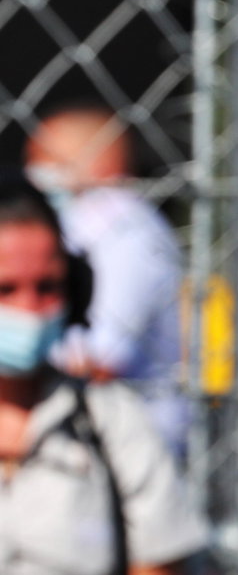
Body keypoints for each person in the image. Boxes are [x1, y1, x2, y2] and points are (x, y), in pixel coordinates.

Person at [0, 170, 206, 575]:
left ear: (76, 292)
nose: (29, 308)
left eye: (47, 287)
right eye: (5, 289)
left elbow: (159, 564)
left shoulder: (112, 421)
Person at [23, 102, 186, 454]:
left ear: (101, 161)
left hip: (129, 450)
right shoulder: (82, 221)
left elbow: (96, 360)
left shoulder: (119, 223)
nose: (33, 172)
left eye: (46, 159)